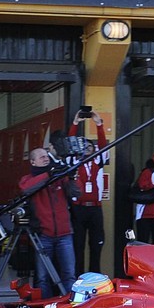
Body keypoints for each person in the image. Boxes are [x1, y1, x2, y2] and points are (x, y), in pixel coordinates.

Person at [18, 144, 76, 298]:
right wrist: (49, 175)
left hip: (65, 234)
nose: (46, 159)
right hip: (43, 235)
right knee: (42, 278)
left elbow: (77, 193)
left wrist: (71, 177)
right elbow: (26, 189)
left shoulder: (59, 177)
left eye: (47, 156)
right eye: (42, 157)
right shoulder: (27, 179)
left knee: (69, 275)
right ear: (33, 162)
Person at [67, 111, 108, 276]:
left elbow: (104, 144)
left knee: (96, 245)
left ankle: (95, 279)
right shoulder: (74, 161)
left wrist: (99, 124)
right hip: (78, 209)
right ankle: (77, 278)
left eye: (90, 146)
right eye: (83, 146)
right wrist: (75, 122)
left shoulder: (99, 159)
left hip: (95, 209)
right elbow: (70, 143)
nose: (87, 149)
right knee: (78, 246)